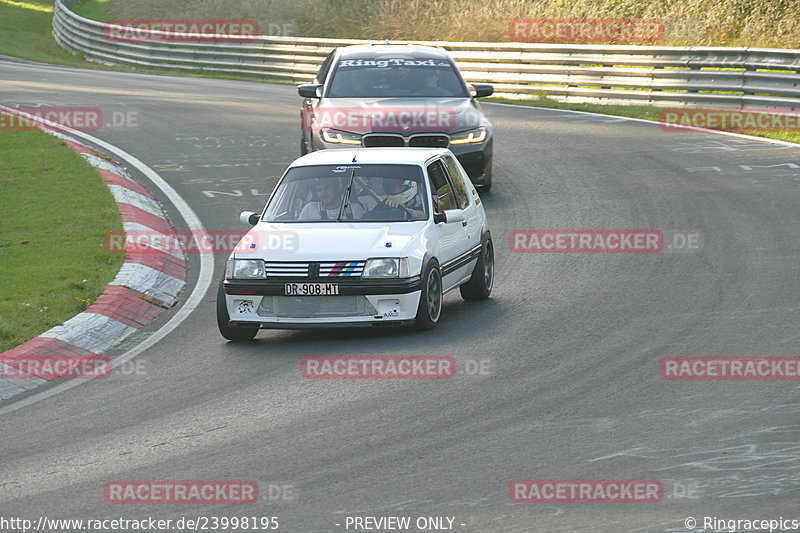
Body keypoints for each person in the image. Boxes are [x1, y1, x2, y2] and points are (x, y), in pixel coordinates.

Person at [299, 178, 364, 220]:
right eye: (319, 190)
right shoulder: (309, 209)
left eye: (327, 188)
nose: (323, 193)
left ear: (335, 188)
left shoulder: (355, 209)